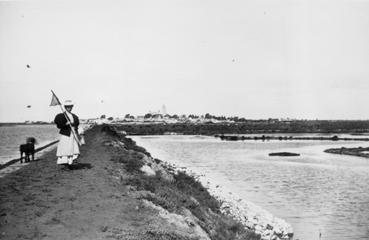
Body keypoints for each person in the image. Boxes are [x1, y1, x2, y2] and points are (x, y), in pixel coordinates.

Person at [54, 100, 80, 169]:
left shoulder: (74, 116)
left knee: (72, 148)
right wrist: (65, 124)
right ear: (65, 107)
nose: (69, 108)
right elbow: (59, 125)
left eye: (70, 107)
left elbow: (76, 124)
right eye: (68, 107)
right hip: (65, 134)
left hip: (72, 134)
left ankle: (70, 163)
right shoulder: (62, 116)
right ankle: (65, 164)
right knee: (65, 148)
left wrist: (75, 128)